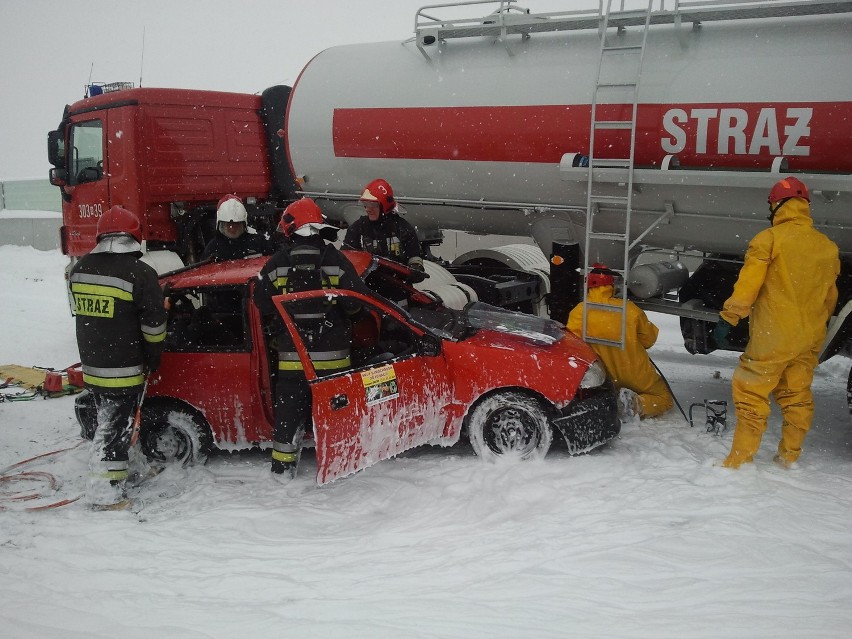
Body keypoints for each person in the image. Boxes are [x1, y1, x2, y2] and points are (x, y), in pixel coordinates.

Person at [714, 177, 839, 469]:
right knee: (797, 395)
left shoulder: (769, 239)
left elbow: (748, 286)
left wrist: (729, 317)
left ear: (777, 205)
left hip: (775, 335)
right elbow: (829, 299)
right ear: (805, 206)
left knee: (750, 391)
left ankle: (739, 460)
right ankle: (789, 456)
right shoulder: (827, 247)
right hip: (809, 337)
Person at [254, 198, 370, 482]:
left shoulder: (277, 263)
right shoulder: (336, 260)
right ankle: (338, 465)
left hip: (292, 360)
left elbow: (261, 302)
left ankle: (282, 471)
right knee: (333, 417)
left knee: (288, 419)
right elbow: (357, 304)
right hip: (333, 362)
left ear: (291, 228)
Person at [69, 206, 167, 510]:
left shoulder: (79, 269)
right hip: (124, 367)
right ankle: (104, 495)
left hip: (93, 365)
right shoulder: (140, 273)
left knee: (120, 420)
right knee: (114, 429)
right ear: (135, 236)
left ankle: (133, 468)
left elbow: (83, 313)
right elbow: (154, 326)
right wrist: (153, 355)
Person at [567, 263, 673, 420]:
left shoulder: (579, 312)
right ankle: (636, 404)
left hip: (603, 374)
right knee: (664, 398)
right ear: (612, 285)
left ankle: (610, 399)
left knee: (599, 390)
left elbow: (572, 345)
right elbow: (649, 340)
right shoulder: (629, 310)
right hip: (635, 372)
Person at [344, 178, 424, 271]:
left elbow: (414, 257)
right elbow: (346, 257)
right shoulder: (359, 228)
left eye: (373, 204)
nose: (368, 209)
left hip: (397, 282)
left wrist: (415, 267)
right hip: (367, 282)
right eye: (365, 204)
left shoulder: (402, 228)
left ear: (384, 206)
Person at [200, 194, 276, 262]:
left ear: (244, 224)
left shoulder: (259, 242)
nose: (232, 228)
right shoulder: (213, 248)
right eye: (228, 224)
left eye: (236, 224)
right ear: (221, 225)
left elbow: (275, 262)